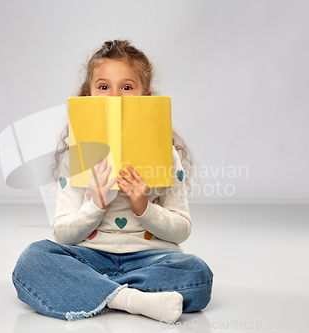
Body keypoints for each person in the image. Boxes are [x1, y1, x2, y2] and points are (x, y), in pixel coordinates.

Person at [12, 39, 213, 322]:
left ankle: (91, 293)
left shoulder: (165, 154)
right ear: (88, 95)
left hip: (150, 261)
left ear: (147, 97)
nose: (115, 97)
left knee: (197, 274)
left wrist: (144, 207)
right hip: (88, 261)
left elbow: (181, 231)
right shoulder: (77, 154)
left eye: (127, 87)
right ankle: (132, 300)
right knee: (32, 261)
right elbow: (62, 234)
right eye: (104, 87)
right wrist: (96, 204)